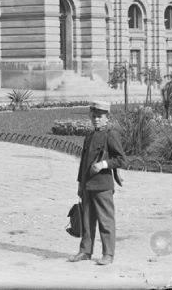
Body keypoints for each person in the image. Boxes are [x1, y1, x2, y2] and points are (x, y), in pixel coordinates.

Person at [68, 100, 124, 266]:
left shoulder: (110, 134)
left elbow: (121, 159)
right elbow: (83, 161)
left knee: (106, 221)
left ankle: (108, 254)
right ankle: (85, 251)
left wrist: (103, 164)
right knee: (86, 221)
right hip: (87, 185)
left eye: (100, 116)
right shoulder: (90, 135)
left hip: (102, 186)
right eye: (94, 116)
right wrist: (80, 183)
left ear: (107, 117)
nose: (96, 119)